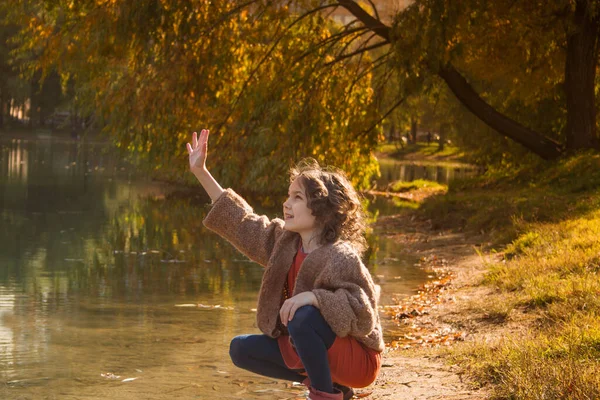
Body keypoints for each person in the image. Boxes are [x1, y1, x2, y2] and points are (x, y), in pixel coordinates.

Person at [186, 130, 384, 400]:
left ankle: (324, 395)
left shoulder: (341, 255)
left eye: (297, 198)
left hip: (358, 359)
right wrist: (201, 172)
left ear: (322, 209)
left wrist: (315, 298)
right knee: (240, 350)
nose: (286, 203)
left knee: (303, 317)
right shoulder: (285, 243)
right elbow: (242, 222)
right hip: (313, 347)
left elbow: (363, 314)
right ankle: (337, 389)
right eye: (288, 196)